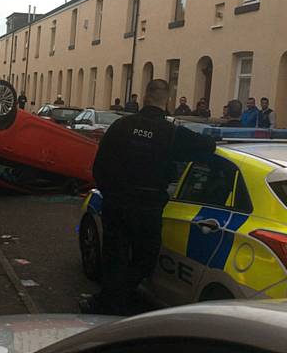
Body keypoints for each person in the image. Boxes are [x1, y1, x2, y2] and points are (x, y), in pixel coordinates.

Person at [80, 79, 216, 315]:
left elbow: (99, 167)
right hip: (148, 207)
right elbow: (208, 146)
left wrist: (112, 193)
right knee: (145, 259)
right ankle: (118, 300)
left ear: (144, 97)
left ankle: (109, 302)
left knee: (115, 257)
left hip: (118, 204)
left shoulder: (121, 126)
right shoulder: (172, 133)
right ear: (167, 102)